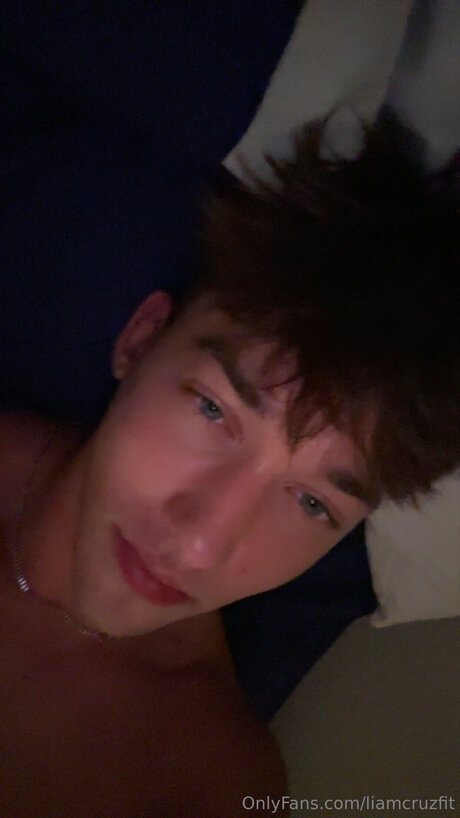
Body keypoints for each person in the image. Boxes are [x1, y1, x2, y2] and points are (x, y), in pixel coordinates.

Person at [1, 120, 459, 817]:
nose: (198, 546)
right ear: (140, 341)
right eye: (214, 410)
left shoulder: (205, 781)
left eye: (313, 504)